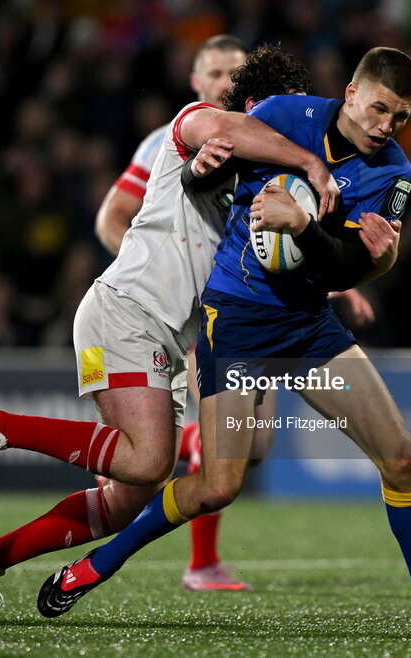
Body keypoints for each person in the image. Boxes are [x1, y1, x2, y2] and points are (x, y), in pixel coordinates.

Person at [35, 47, 411, 629]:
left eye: (401, 117)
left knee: (403, 458)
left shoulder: (394, 174)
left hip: (308, 325)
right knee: (217, 486)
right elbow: (200, 179)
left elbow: (343, 267)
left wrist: (308, 230)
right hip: (235, 321)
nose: (386, 126)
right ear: (351, 94)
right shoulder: (288, 116)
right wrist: (201, 166)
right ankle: (96, 566)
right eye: (380, 109)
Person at [0, 44, 337, 624]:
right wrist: (297, 163)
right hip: (126, 310)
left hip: (170, 337)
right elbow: (203, 155)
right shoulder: (193, 127)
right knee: (152, 462)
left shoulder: (269, 187)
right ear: (254, 105)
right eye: (282, 111)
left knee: (124, 501)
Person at [96, 35, 375, 592]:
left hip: (244, 305)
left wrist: (334, 281)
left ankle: (158, 486)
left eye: (234, 71)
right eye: (215, 72)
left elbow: (279, 234)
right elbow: (112, 216)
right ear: (197, 83)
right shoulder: (171, 139)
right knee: (204, 449)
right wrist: (153, 270)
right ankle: (199, 560)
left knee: (256, 446)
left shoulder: (263, 138)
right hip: (190, 312)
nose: (225, 81)